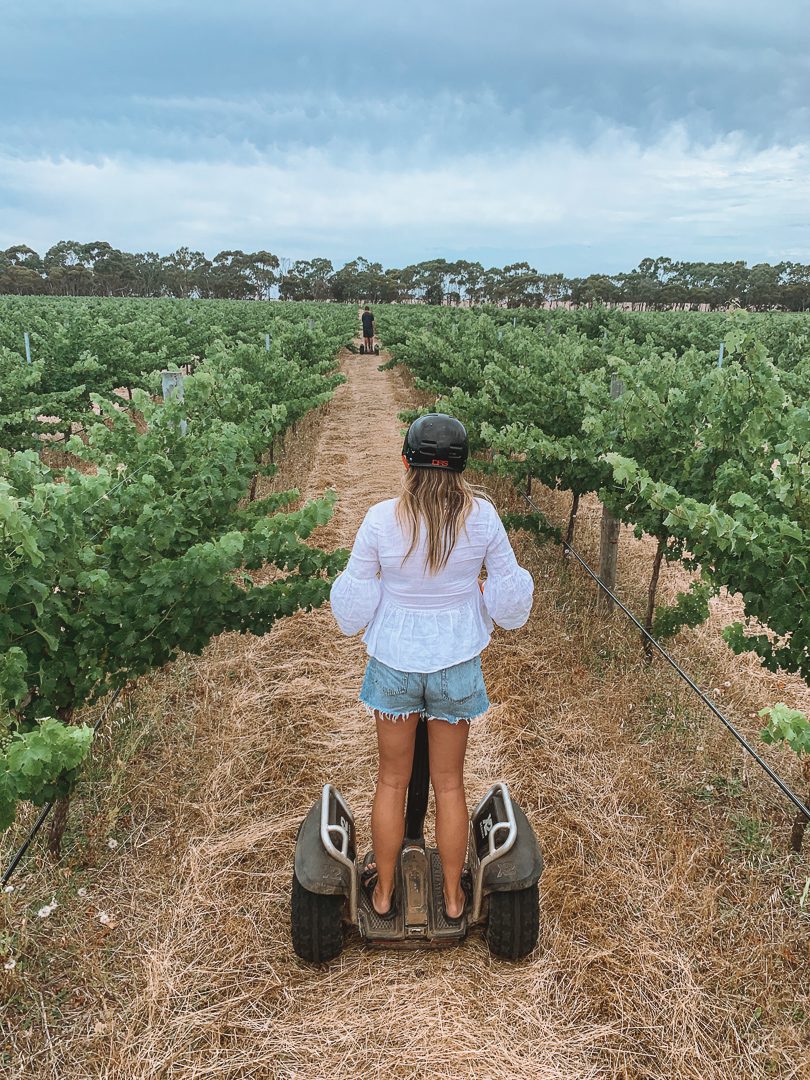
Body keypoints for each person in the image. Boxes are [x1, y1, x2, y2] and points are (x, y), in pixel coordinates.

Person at [329, 414, 534, 922]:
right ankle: (455, 897)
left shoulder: (380, 519)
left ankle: (382, 896)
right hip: (455, 664)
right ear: (464, 465)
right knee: (450, 783)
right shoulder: (482, 517)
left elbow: (351, 611)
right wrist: (480, 599)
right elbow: (511, 604)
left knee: (390, 781)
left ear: (405, 460)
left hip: (395, 665)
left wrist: (386, 595)